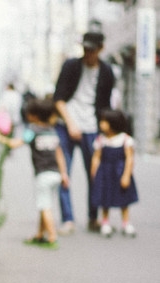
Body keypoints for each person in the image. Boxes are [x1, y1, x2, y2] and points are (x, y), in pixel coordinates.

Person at [53, 31, 115, 235]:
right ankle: (68, 219)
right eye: (85, 49)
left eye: (92, 50)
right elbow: (59, 99)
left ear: (100, 49)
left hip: (92, 128)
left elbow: (105, 106)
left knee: (95, 174)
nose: (88, 53)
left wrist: (108, 132)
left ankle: (93, 218)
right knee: (64, 174)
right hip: (66, 125)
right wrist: (71, 124)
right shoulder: (71, 66)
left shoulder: (107, 72)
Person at [0, 98, 69, 248]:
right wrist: (64, 173)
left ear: (34, 115)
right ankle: (40, 234)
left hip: (43, 174)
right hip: (56, 174)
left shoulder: (32, 131)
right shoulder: (52, 131)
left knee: (44, 205)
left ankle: (52, 236)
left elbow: (15, 143)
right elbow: (59, 154)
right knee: (45, 203)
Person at [90, 109, 138, 237]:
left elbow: (129, 158)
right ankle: (105, 222)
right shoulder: (101, 140)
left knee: (124, 199)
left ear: (114, 123)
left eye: (104, 121)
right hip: (105, 173)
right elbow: (96, 156)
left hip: (120, 172)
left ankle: (126, 223)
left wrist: (127, 175)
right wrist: (94, 172)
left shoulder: (125, 140)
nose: (101, 123)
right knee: (105, 198)